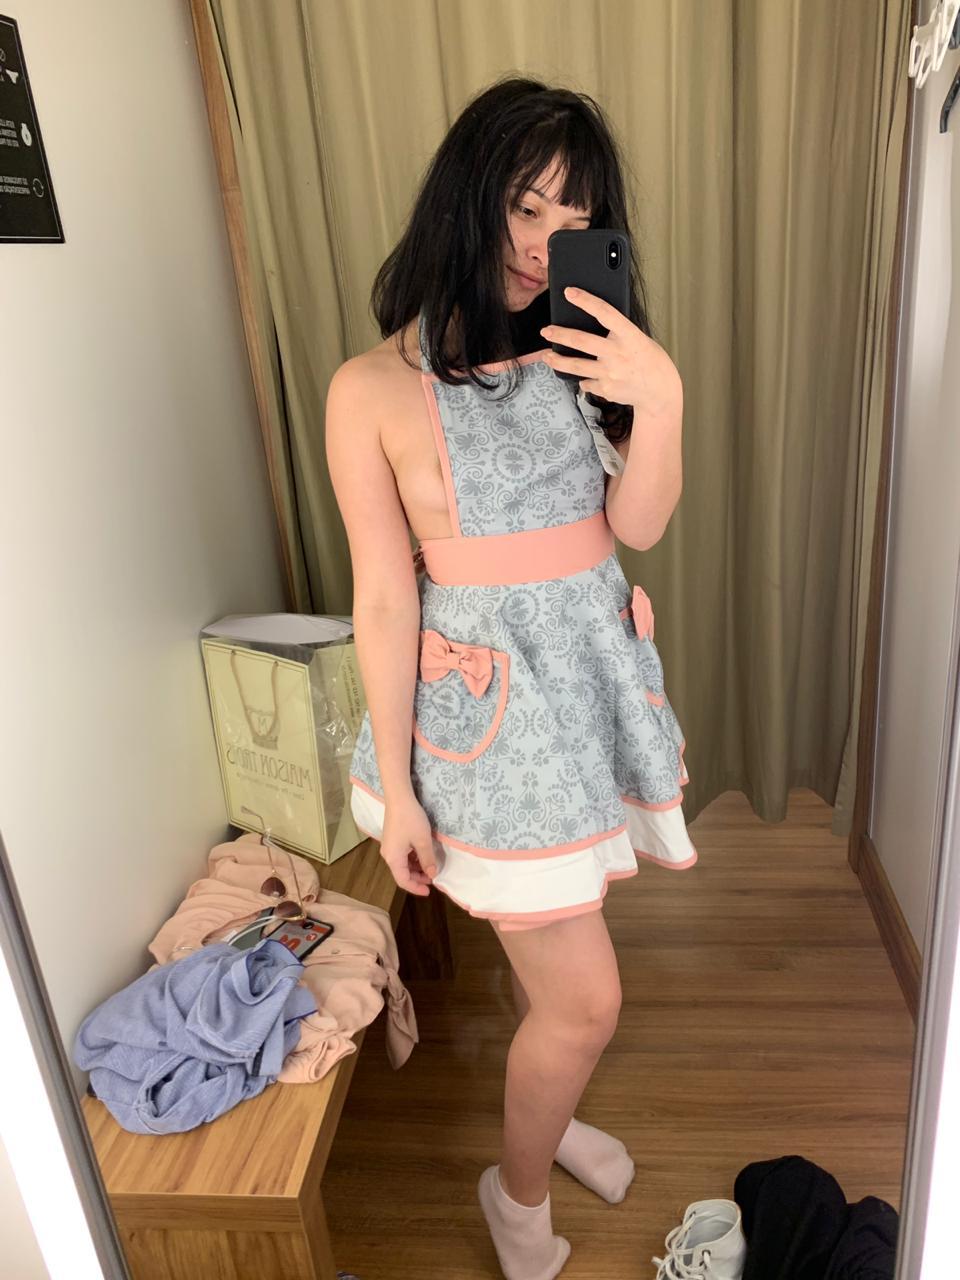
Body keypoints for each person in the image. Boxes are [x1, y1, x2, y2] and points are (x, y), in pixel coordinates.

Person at [325, 75, 697, 1280]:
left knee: (563, 977)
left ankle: (551, 1110)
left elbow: (638, 522)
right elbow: (385, 596)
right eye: (525, 207)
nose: (543, 244)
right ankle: (516, 1191)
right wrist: (399, 790)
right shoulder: (370, 389)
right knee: (585, 1001)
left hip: (586, 686)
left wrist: (661, 399)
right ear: (469, 196)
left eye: (574, 218)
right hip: (488, 721)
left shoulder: (591, 352)